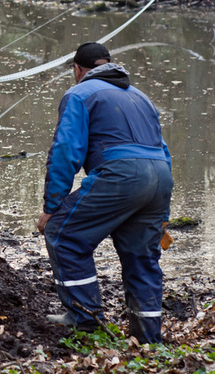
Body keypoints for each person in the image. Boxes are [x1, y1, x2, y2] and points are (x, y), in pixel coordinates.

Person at [37, 42, 173, 344]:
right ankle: (149, 338)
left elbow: (65, 152)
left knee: (63, 234)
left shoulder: (79, 94)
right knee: (142, 257)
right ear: (108, 64)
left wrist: (52, 206)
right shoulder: (141, 97)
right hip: (160, 176)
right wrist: (162, 214)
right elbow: (163, 150)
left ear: (77, 69)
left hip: (121, 174)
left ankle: (84, 318)